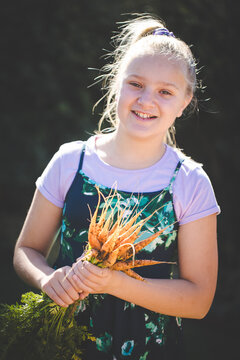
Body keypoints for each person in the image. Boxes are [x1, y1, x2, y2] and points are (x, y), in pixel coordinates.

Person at [13, 14, 220, 359]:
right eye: (135, 84)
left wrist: (115, 283)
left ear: (185, 103)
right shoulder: (71, 161)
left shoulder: (189, 182)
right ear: (116, 83)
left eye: (165, 92)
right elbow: (26, 251)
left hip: (149, 350)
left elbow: (199, 300)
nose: (146, 100)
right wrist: (47, 279)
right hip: (63, 345)